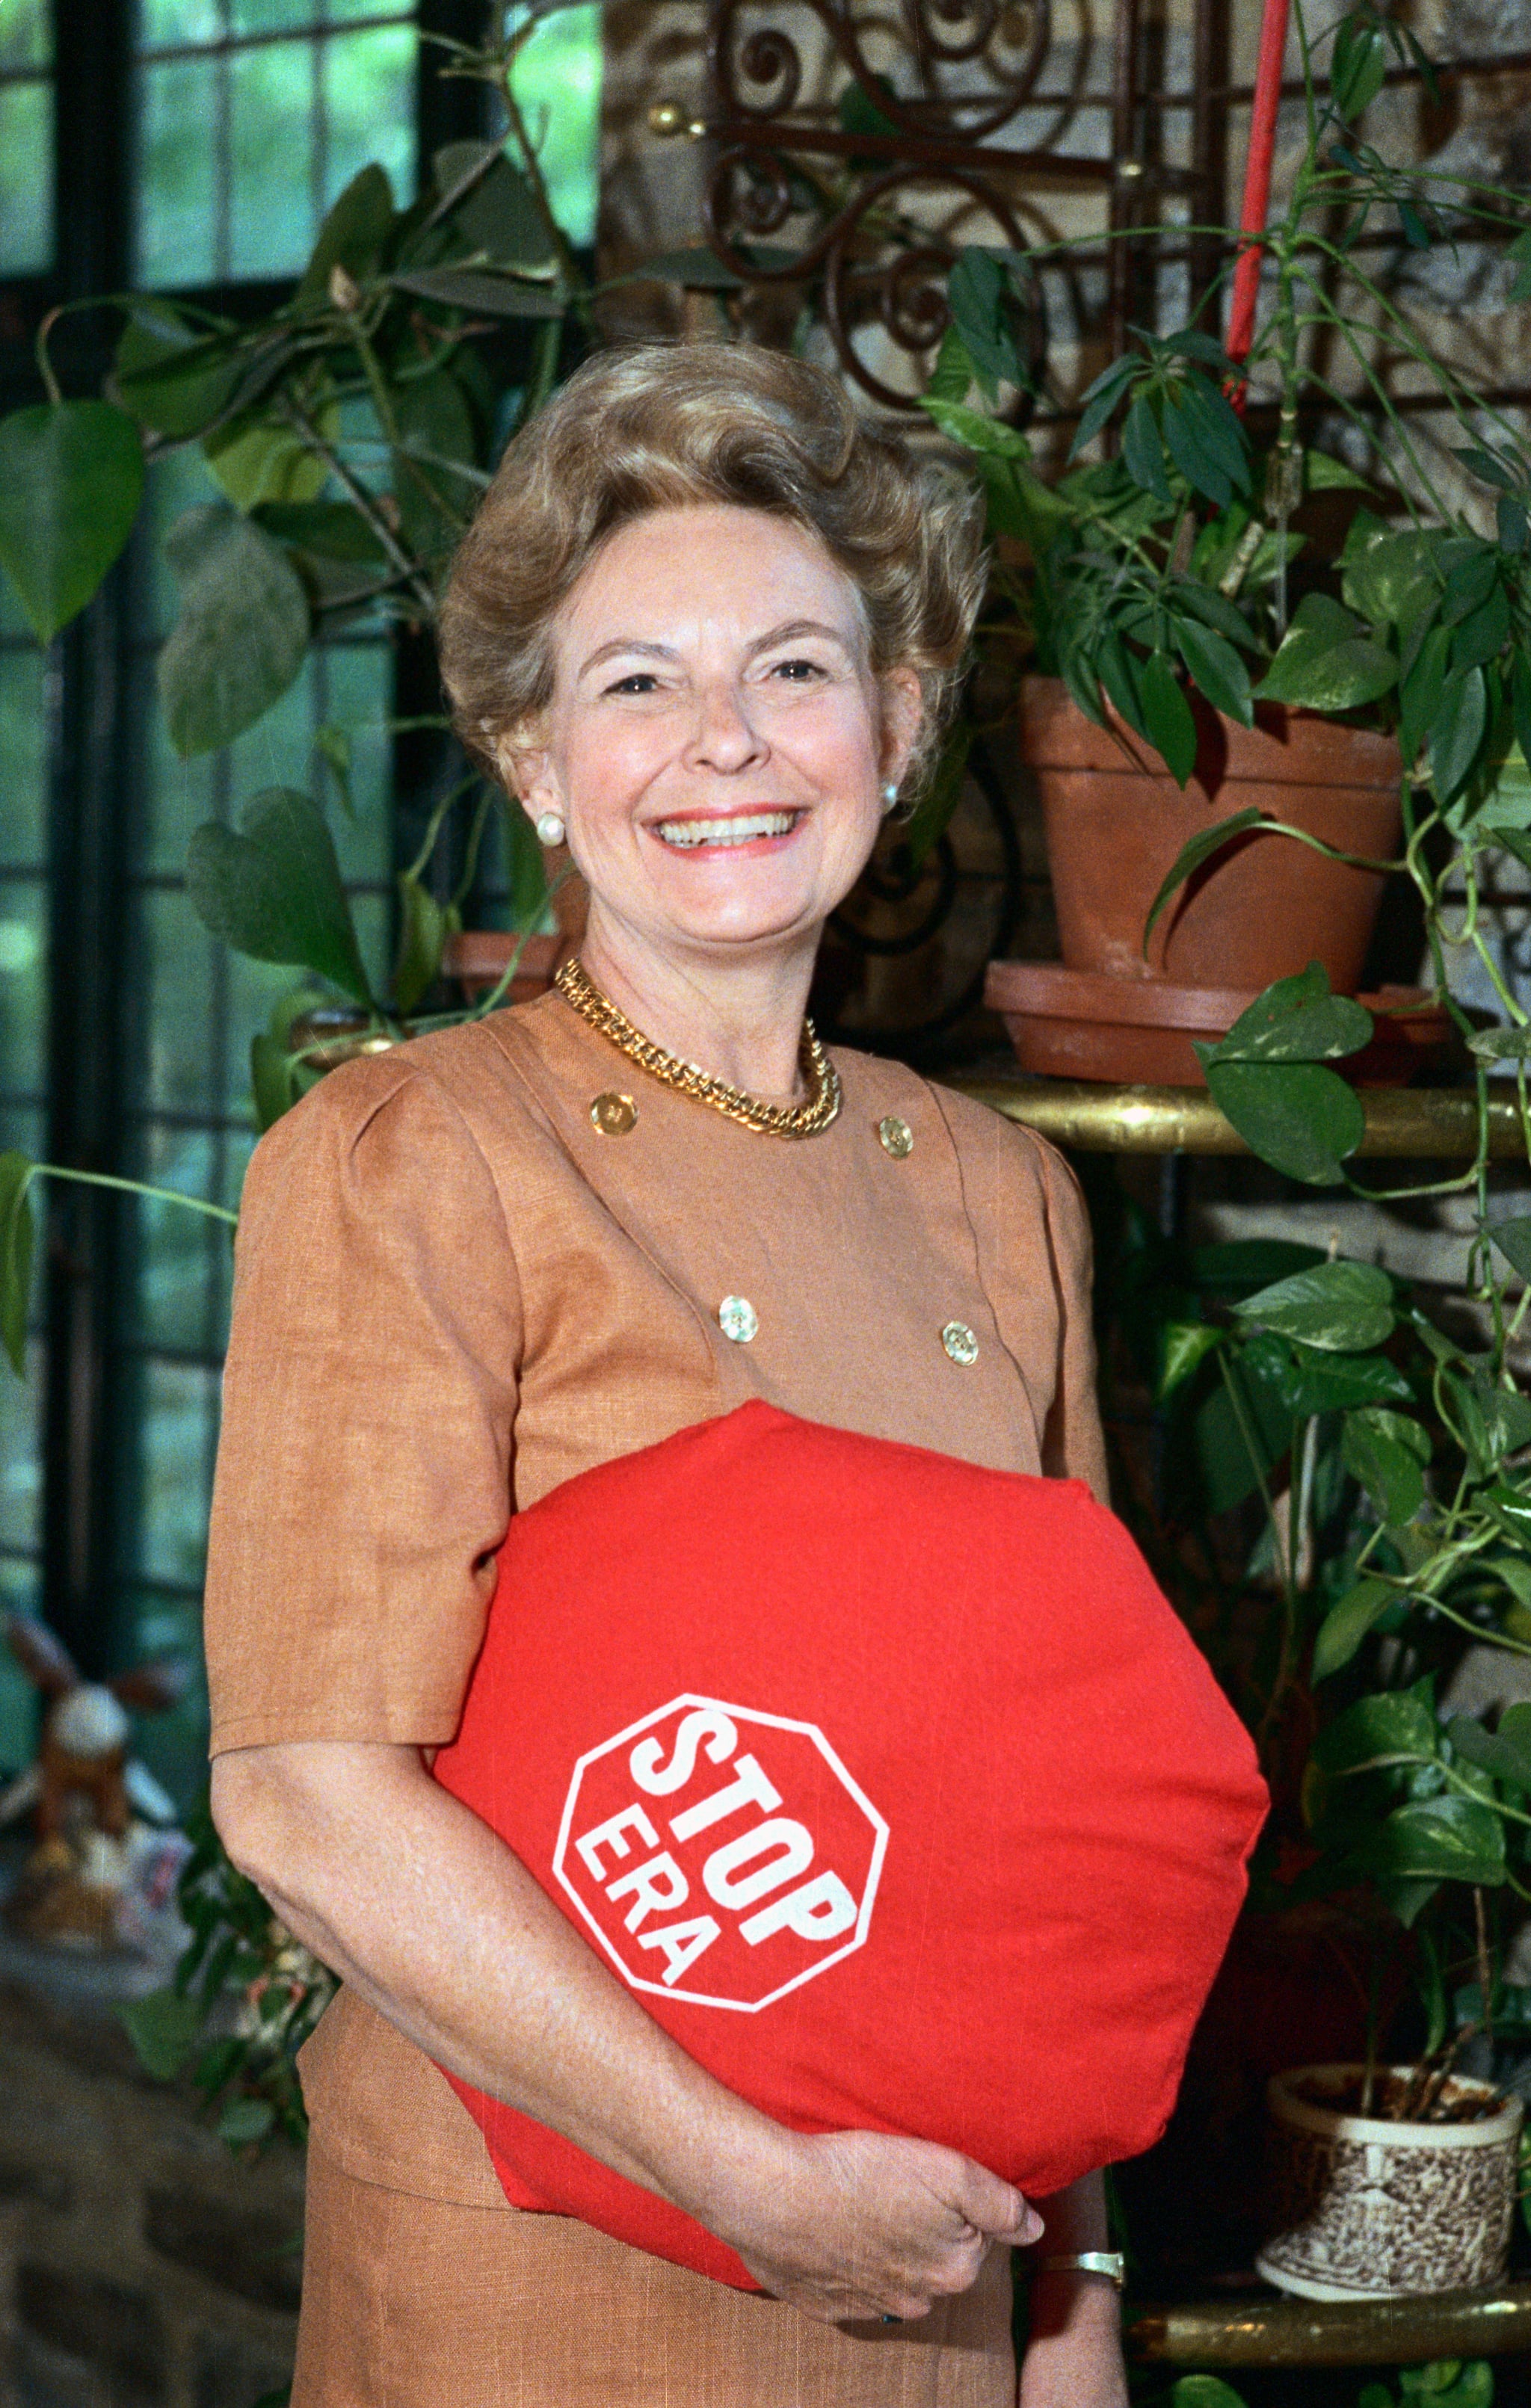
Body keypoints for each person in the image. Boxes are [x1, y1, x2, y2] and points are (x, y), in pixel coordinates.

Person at [206, 342, 1128, 2408]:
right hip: (547, 2283)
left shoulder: (1004, 1196)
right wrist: (746, 2180)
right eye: (637, 684)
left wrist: (1073, 2323)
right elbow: (306, 1799)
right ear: (536, 762)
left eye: (797, 672)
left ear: (895, 731)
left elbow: (1058, 1833)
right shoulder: (412, 1158)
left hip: (937, 2279)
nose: (727, 742)